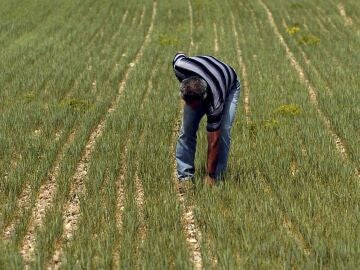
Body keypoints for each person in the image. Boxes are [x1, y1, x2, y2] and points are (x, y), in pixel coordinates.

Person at [173, 52, 241, 190]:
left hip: (229, 85)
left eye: (195, 104)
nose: (191, 107)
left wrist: (210, 175)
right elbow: (179, 54)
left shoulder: (215, 101)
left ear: (204, 97)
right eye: (187, 102)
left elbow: (213, 140)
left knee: (223, 131)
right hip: (204, 76)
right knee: (186, 130)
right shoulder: (179, 66)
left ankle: (217, 176)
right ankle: (185, 177)